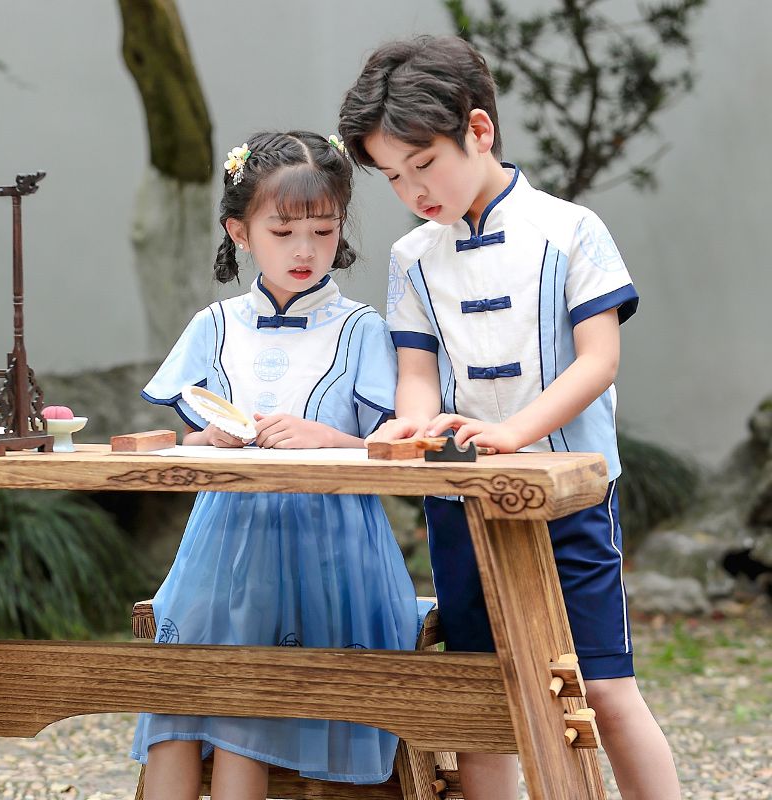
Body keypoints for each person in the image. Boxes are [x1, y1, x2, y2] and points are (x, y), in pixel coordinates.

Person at [339, 36, 680, 800]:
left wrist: (516, 434)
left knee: (604, 686)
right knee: (478, 693)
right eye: (393, 177)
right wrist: (414, 425)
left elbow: (600, 361)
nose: (412, 191)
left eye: (423, 164)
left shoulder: (571, 230)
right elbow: (418, 374)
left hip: (572, 497)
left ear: (479, 130)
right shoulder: (412, 258)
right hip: (463, 501)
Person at [130, 130, 419, 800]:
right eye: (283, 229)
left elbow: (396, 448)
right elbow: (185, 443)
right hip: (221, 546)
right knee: (175, 701)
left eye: (322, 231)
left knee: (239, 703)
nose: (304, 249)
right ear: (240, 230)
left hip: (333, 551)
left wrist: (326, 437)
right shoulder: (214, 325)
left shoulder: (361, 328)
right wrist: (209, 441)